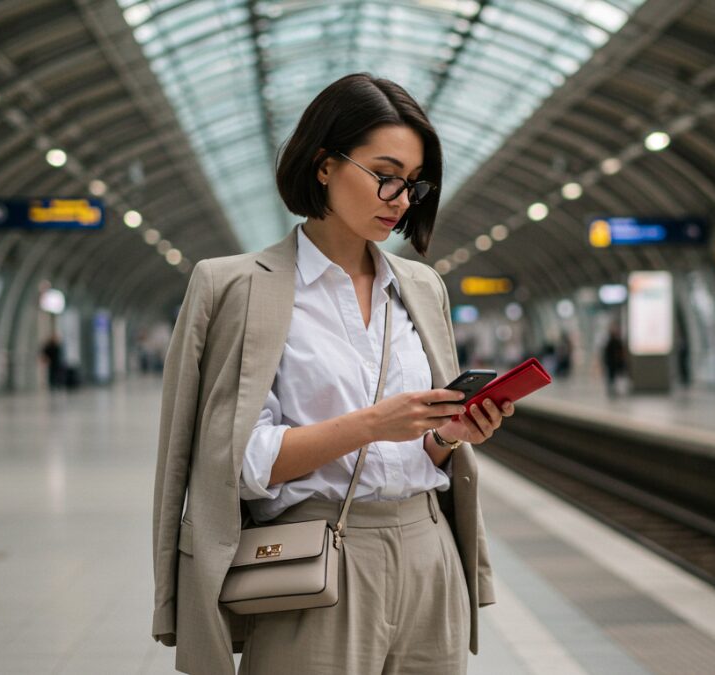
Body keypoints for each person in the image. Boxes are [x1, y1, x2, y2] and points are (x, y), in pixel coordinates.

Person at [151, 73, 513, 675]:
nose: (400, 199)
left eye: (414, 184)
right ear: (324, 164)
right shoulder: (235, 286)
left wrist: (449, 436)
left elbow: (420, 450)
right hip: (314, 561)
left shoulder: (421, 286)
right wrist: (371, 424)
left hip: (430, 556)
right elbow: (237, 462)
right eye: (385, 174)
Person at [603, 325, 627, 396]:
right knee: (612, 377)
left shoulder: (616, 342)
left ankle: (615, 389)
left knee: (616, 377)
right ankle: (613, 389)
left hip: (615, 363)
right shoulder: (611, 342)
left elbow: (621, 352)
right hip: (612, 363)